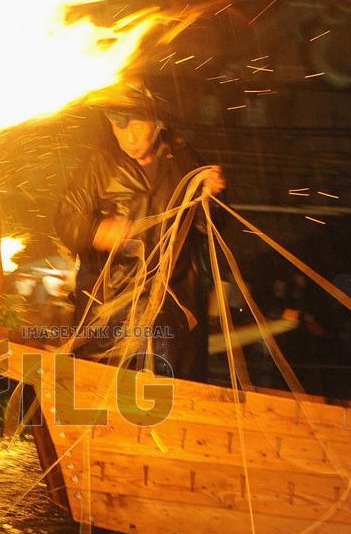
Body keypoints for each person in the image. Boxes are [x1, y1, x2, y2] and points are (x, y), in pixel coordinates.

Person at [54, 81, 225, 380]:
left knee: (170, 399)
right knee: (105, 397)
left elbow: (209, 232)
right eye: (118, 127)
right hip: (110, 311)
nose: (128, 138)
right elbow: (66, 217)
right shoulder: (100, 164)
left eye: (136, 125)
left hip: (171, 314)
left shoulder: (185, 161)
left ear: (157, 121)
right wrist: (95, 230)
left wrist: (214, 198)